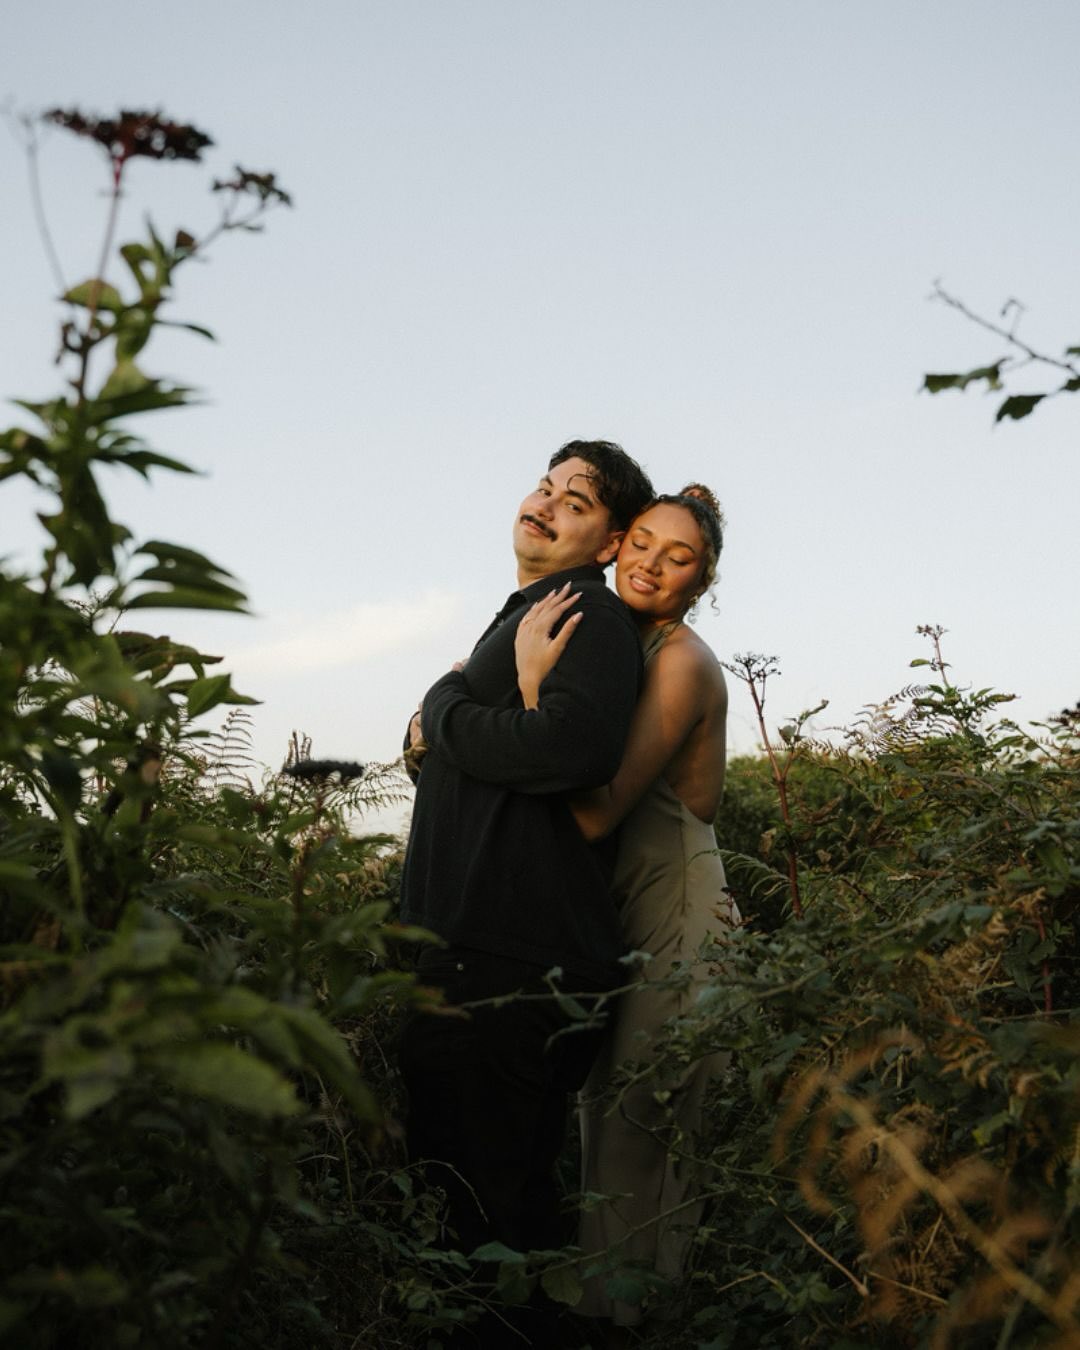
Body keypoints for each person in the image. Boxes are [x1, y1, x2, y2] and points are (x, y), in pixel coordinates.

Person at [398, 440, 654, 1346]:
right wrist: (443, 710)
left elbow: (573, 750)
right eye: (545, 485)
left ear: (611, 539)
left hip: (506, 963)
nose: (546, 502)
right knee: (483, 1217)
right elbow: (452, 731)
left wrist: (448, 710)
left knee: (480, 1226)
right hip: (476, 956)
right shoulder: (534, 611)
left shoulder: (589, 614)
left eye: (575, 500)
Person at [514, 484, 737, 1343]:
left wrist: (535, 692)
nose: (650, 562)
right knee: (603, 1116)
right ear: (615, 546)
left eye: (676, 556)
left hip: (673, 908)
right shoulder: (611, 640)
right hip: (624, 911)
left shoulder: (681, 661)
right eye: (640, 541)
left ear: (700, 581)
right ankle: (606, 1313)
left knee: (646, 1120)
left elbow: (600, 810)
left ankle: (635, 1322)